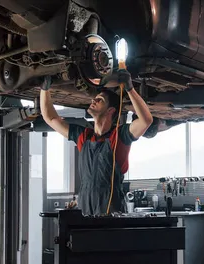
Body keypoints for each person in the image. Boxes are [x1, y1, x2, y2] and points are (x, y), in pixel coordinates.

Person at [39, 69, 153, 215]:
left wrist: (130, 88)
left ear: (110, 111)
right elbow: (50, 118)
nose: (93, 100)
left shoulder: (119, 136)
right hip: (85, 207)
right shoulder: (84, 136)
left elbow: (146, 120)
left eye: (100, 100)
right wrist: (44, 89)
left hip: (111, 211)